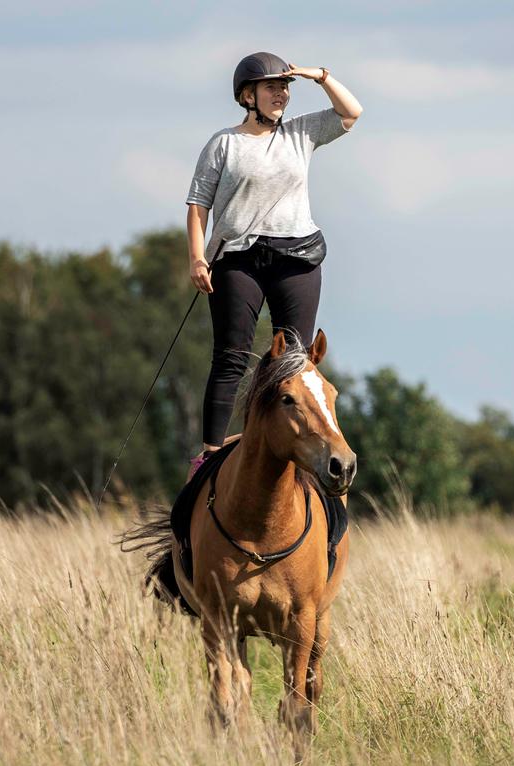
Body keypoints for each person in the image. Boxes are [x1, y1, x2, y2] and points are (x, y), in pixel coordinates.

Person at [184, 51, 363, 479]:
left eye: (285, 87)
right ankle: (207, 459)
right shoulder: (223, 143)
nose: (282, 93)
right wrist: (196, 257)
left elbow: (351, 112)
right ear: (248, 95)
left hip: (297, 258)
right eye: (272, 87)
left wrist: (318, 75)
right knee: (230, 357)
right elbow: (197, 207)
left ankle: (306, 461)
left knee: (297, 363)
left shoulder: (301, 132)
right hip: (238, 259)